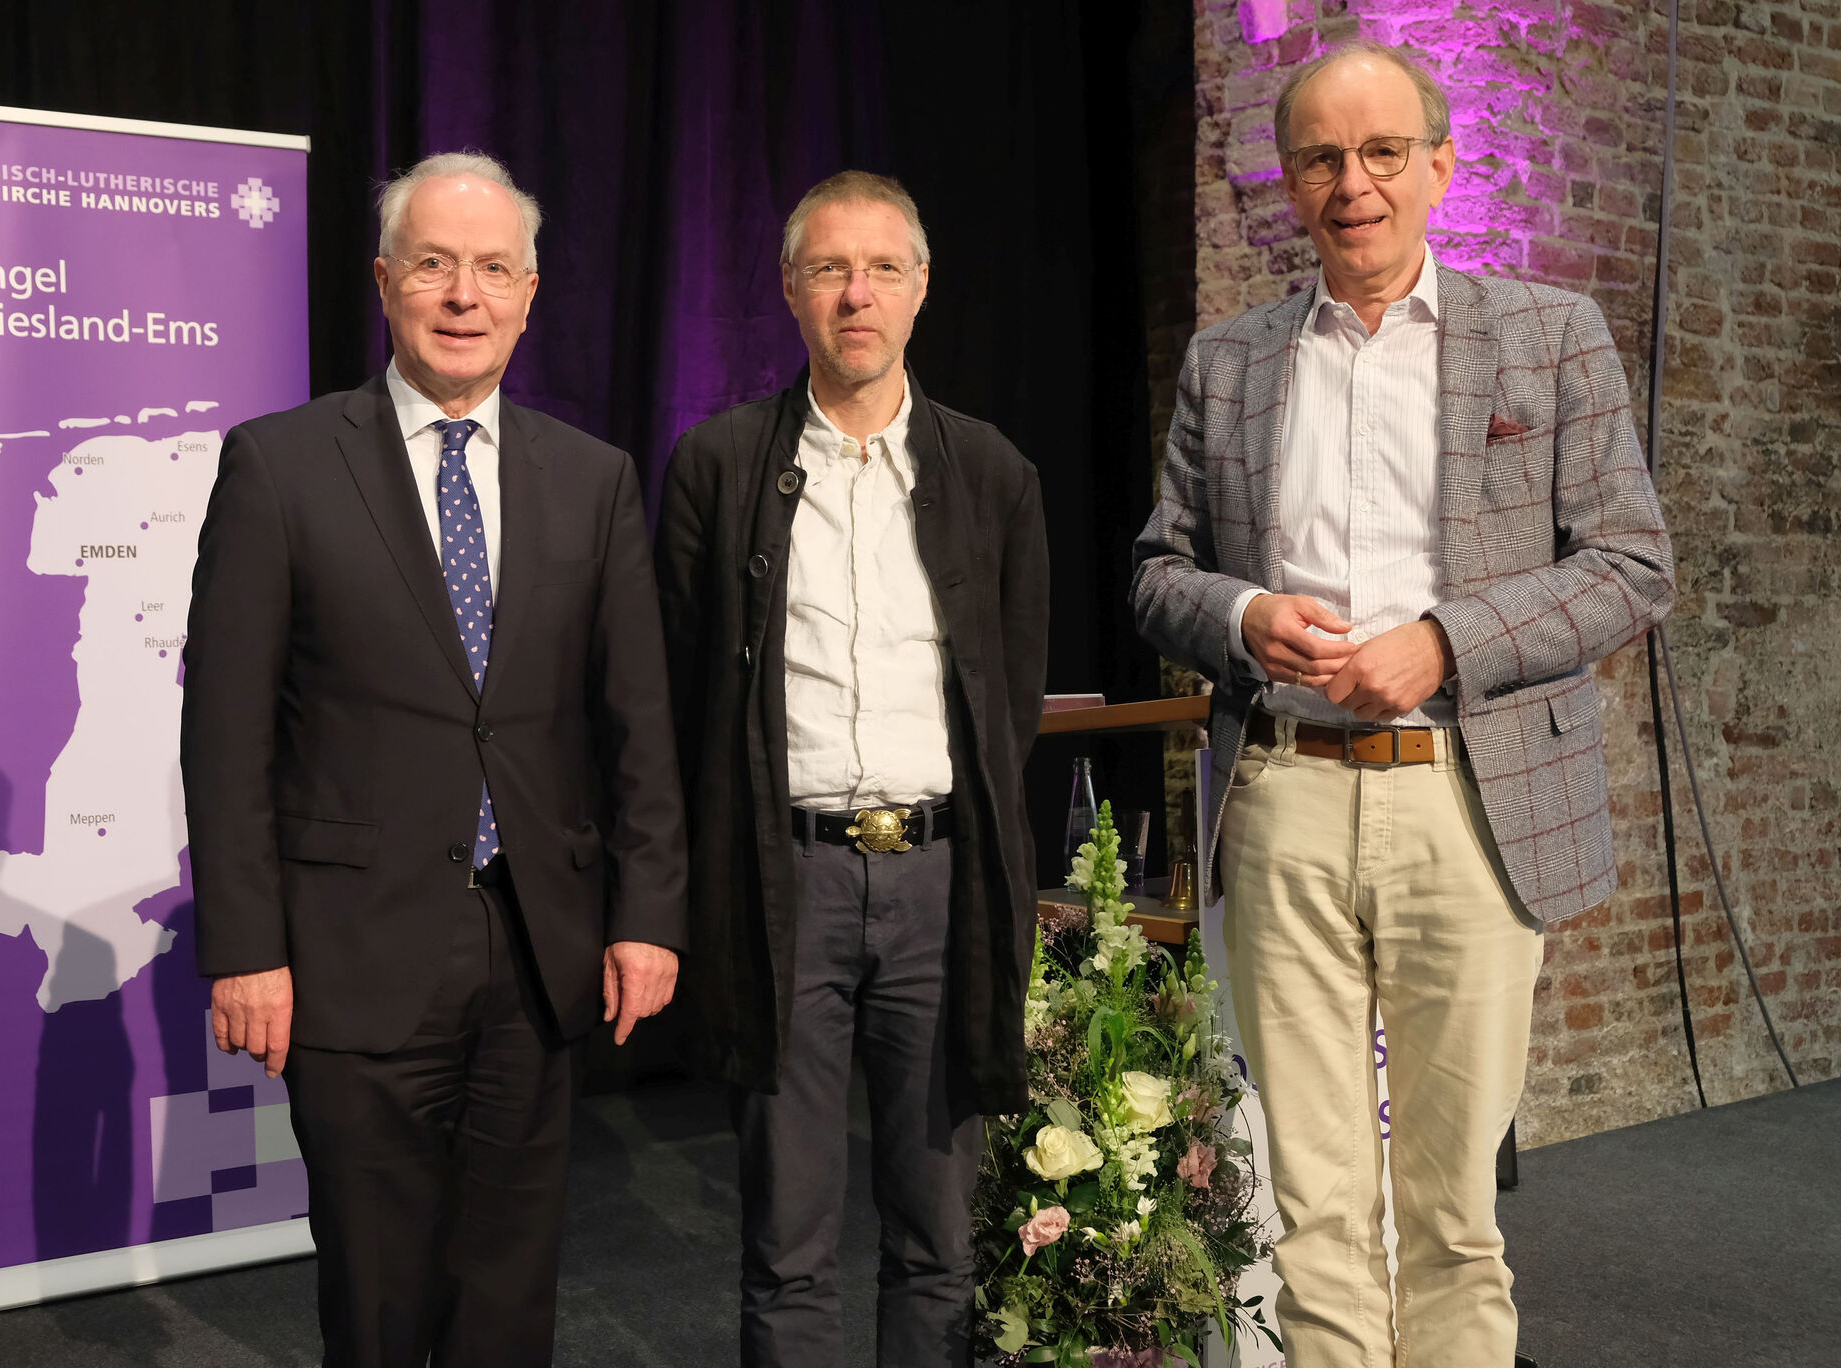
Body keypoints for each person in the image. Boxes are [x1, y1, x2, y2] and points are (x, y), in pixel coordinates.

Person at [1131, 41, 1674, 1368]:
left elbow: (1632, 566)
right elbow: (1159, 574)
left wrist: (1447, 640)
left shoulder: (1550, 337)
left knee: (1451, 1214)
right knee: (1311, 1216)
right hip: (1284, 799)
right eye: (1320, 156)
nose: (1351, 184)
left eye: (1381, 153)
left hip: (1469, 802)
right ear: (1288, 181)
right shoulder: (1231, 361)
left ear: (1440, 165)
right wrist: (1244, 619)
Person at [182, 150, 686, 1368]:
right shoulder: (281, 465)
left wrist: (648, 915)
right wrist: (246, 948)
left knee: (511, 1291)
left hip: (534, 943)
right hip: (351, 948)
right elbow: (226, 731)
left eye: (492, 270)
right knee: (377, 1295)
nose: (464, 295)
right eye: (434, 265)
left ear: (528, 296)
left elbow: (637, 722)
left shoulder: (594, 480)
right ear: (384, 282)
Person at [654, 170, 1049, 1368]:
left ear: (921, 289)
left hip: (940, 884)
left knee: (937, 1233)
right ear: (789, 291)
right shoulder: (717, 468)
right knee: (786, 1238)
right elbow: (682, 695)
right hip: (788, 885)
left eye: (881, 268)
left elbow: (1007, 705)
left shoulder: (989, 475)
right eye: (828, 269)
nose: (855, 293)